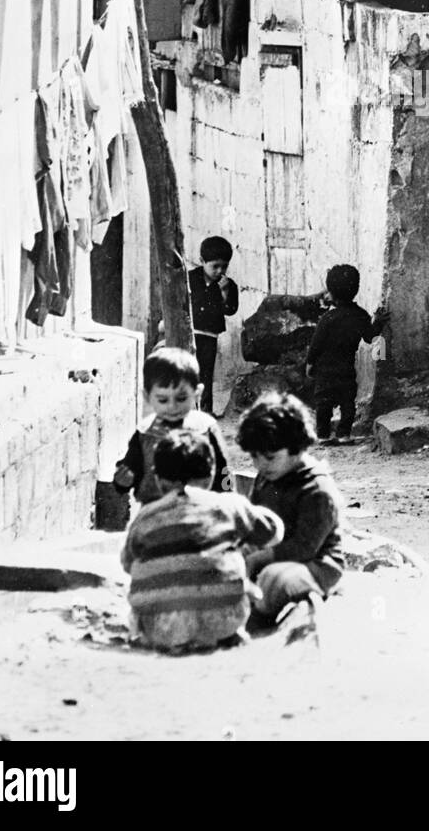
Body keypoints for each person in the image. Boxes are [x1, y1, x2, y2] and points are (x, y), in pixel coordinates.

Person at [120, 429, 284, 653]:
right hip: (224, 619)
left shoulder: (146, 516)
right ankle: (225, 635)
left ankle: (164, 640)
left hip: (160, 626)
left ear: (157, 478)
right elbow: (275, 532)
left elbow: (127, 563)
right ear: (211, 473)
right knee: (236, 569)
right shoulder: (229, 505)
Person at [237, 392, 345, 624]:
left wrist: (258, 559)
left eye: (269, 457)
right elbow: (254, 520)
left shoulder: (317, 489)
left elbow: (305, 547)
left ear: (296, 447)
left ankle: (258, 614)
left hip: (316, 563)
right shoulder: (266, 477)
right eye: (254, 457)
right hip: (272, 552)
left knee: (274, 578)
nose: (260, 465)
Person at [113, 347, 231, 504]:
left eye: (181, 398)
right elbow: (132, 467)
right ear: (147, 397)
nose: (172, 406)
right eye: (163, 400)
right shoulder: (145, 432)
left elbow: (224, 470)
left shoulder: (205, 428)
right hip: (156, 511)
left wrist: (228, 502)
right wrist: (123, 481)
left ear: (197, 393)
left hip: (201, 511)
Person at [305, 264, 387, 443]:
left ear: (332, 293)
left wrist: (310, 364)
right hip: (346, 370)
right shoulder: (361, 316)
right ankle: (343, 434)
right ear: (355, 289)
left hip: (325, 371)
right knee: (347, 403)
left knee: (323, 405)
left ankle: (323, 435)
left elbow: (316, 345)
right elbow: (370, 337)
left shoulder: (327, 319)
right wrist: (379, 322)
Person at [188, 235, 239, 415]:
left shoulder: (228, 285)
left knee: (206, 374)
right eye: (214, 266)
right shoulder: (190, 279)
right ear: (202, 261)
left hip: (210, 335)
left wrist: (225, 292)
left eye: (224, 266)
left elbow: (231, 310)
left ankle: (206, 411)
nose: (219, 271)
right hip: (191, 332)